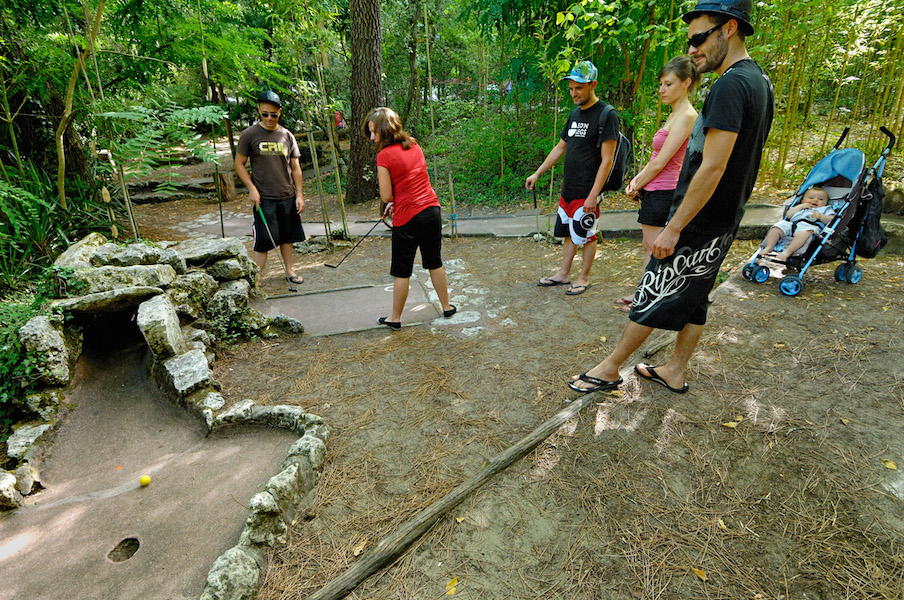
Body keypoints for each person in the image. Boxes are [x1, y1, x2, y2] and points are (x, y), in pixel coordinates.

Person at [569, 0, 774, 394]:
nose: (693, 49)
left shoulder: (732, 84)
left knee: (654, 288)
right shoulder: (758, 81)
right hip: (725, 215)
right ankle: (675, 369)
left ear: (729, 28)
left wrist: (674, 226)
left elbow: (713, 166)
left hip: (699, 217)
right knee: (695, 294)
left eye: (699, 38)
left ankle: (610, 368)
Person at [526, 60, 619, 296]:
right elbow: (560, 147)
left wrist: (593, 194)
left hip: (588, 189)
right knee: (569, 232)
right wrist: (538, 173)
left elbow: (607, 160)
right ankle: (564, 273)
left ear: (592, 85)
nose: (574, 93)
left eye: (579, 87)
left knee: (587, 234)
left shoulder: (607, 115)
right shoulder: (574, 114)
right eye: (571, 88)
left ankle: (583, 277)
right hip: (569, 188)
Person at [364, 107, 456, 330]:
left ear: (386, 130)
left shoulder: (383, 156)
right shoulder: (414, 144)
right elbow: (414, 180)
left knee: (402, 270)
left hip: (407, 218)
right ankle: (446, 306)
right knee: (434, 262)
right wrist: (400, 198)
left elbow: (386, 195)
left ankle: (395, 318)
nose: (372, 137)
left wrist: (394, 202)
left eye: (374, 132)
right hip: (431, 211)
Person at [619, 56, 699, 308]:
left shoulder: (687, 115)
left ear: (686, 83)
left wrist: (636, 183)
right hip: (654, 190)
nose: (662, 90)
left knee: (656, 249)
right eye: (661, 84)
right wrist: (639, 185)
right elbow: (655, 158)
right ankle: (644, 293)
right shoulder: (675, 115)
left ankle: (649, 299)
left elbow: (660, 162)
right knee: (648, 246)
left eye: (668, 84)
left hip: (665, 191)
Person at [235, 90, 306, 287]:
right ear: (259, 110)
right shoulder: (249, 135)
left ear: (279, 112)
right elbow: (239, 163)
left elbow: (295, 167)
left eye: (273, 114)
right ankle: (256, 278)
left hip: (287, 195)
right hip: (264, 197)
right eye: (265, 113)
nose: (269, 118)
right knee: (264, 239)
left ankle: (289, 271)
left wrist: (299, 195)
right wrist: (251, 188)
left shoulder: (286, 135)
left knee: (287, 237)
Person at [761, 186, 834, 260]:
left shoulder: (825, 209)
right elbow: (788, 215)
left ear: (826, 203)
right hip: (792, 224)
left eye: (821, 199)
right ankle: (769, 246)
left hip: (810, 226)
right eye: (811, 198)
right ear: (802, 200)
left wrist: (821, 217)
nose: (815, 200)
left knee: (803, 233)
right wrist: (800, 206)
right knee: (777, 227)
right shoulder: (800, 207)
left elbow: (831, 220)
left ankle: (788, 251)